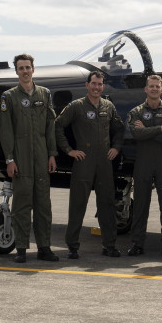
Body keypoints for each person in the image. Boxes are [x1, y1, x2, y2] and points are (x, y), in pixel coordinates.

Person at [55, 70, 125, 259]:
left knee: (107, 204)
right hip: (83, 161)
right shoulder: (76, 106)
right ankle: (72, 246)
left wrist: (116, 147)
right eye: (94, 84)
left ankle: (109, 245)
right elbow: (58, 126)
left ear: (103, 86)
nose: (97, 87)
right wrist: (69, 150)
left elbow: (119, 129)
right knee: (78, 203)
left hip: (104, 162)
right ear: (87, 85)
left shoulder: (108, 107)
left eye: (100, 84)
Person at [0, 54, 59, 263]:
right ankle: (21, 249)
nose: (25, 71)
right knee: (22, 204)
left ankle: (45, 248)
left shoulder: (44, 94)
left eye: (28, 67)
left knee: (43, 204)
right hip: (21, 157)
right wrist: (9, 159)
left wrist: (52, 154)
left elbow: (50, 126)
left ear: (33, 69)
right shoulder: (9, 97)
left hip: (42, 156)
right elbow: (5, 131)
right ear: (16, 72)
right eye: (21, 68)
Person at [127, 75, 162, 256]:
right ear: (146, 89)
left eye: (157, 86)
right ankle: (137, 243)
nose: (154, 89)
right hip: (143, 163)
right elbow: (136, 134)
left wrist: (147, 131)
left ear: (161, 89)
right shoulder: (136, 112)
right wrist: (160, 129)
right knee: (141, 204)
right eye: (151, 86)